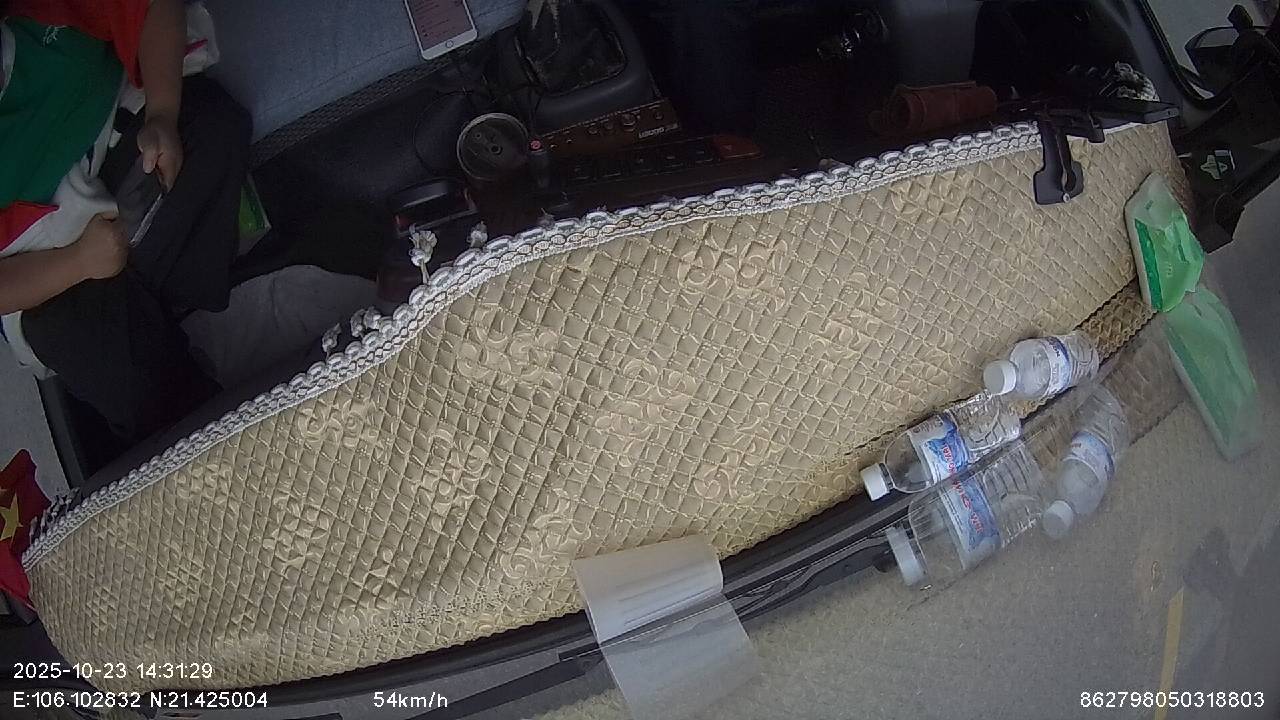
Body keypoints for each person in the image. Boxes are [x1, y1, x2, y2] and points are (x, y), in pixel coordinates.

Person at [0, 0, 251, 443]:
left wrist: (162, 115)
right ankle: (202, 436)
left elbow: (153, 7)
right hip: (55, 273)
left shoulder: (39, 19)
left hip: (117, 150)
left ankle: (175, 319)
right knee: (68, 332)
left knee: (213, 123)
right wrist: (80, 262)